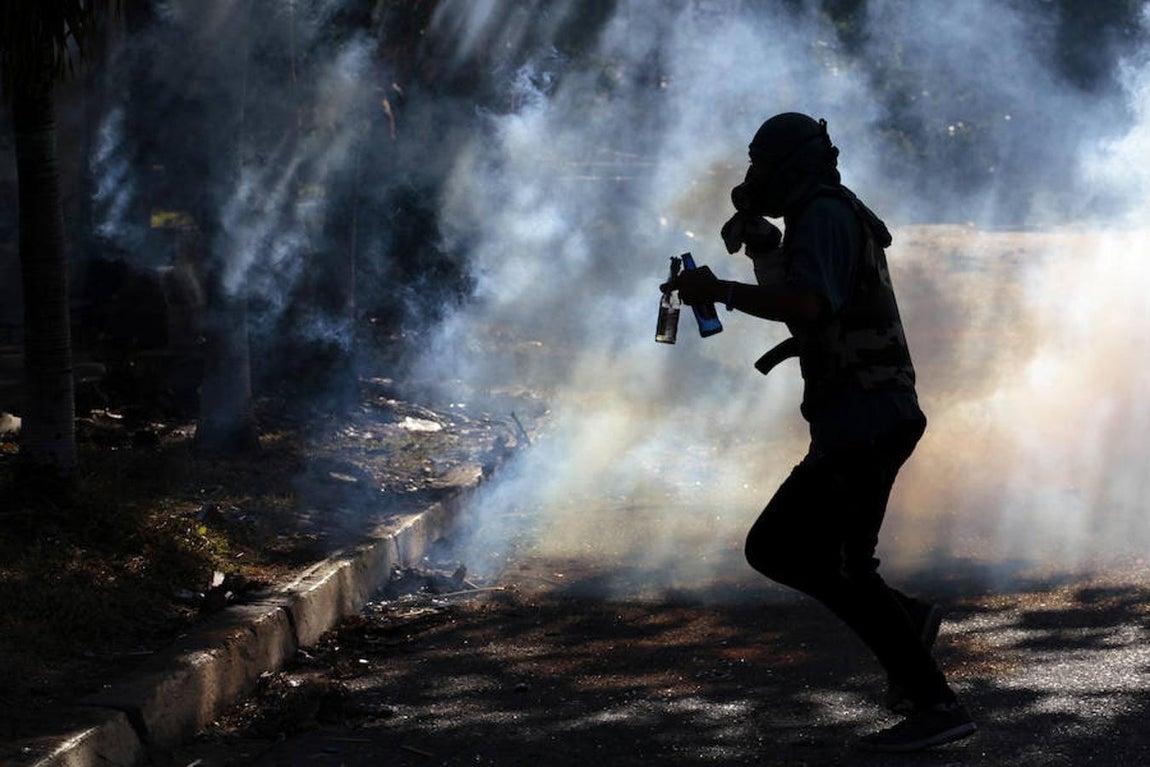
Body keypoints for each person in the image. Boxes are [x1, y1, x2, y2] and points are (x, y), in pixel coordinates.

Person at [674, 112, 976, 753]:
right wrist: (761, 246)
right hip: (856, 414)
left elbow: (810, 303)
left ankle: (936, 704)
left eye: (761, 164)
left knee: (801, 554)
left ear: (788, 166)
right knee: (814, 556)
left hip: (867, 416)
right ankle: (909, 626)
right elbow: (805, 292)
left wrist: (720, 289)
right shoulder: (815, 217)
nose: (753, 177)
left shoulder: (826, 214)